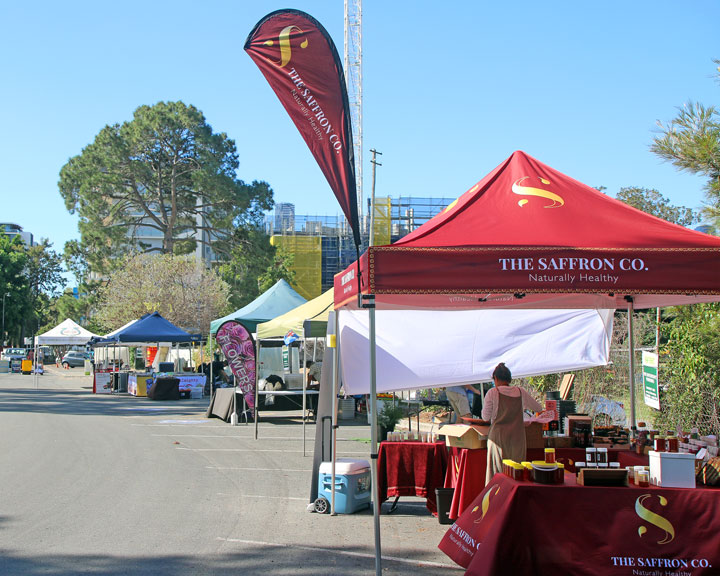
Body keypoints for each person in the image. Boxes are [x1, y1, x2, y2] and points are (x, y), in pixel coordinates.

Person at [482, 362, 542, 484]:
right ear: (509, 379)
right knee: (516, 475)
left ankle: (497, 502)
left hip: (498, 439)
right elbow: (538, 408)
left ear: (496, 378)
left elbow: (485, 417)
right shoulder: (520, 391)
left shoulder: (493, 393)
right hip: (517, 440)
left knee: (497, 476)